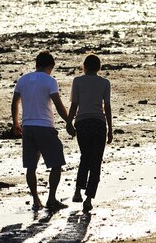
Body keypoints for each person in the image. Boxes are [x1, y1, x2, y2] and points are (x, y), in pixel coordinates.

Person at [11, 51, 75, 211]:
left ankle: (36, 200)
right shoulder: (50, 81)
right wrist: (69, 121)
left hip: (28, 127)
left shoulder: (23, 80)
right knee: (56, 163)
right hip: (45, 126)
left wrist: (15, 123)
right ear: (50, 66)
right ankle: (51, 198)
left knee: (31, 167)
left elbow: (15, 102)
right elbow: (58, 105)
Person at [68, 54, 113, 212]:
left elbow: (74, 104)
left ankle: (78, 191)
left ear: (84, 66)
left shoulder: (77, 81)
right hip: (99, 124)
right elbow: (106, 107)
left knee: (85, 157)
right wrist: (110, 129)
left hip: (82, 123)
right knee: (96, 162)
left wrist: (68, 122)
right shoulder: (105, 83)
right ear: (99, 68)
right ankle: (88, 199)